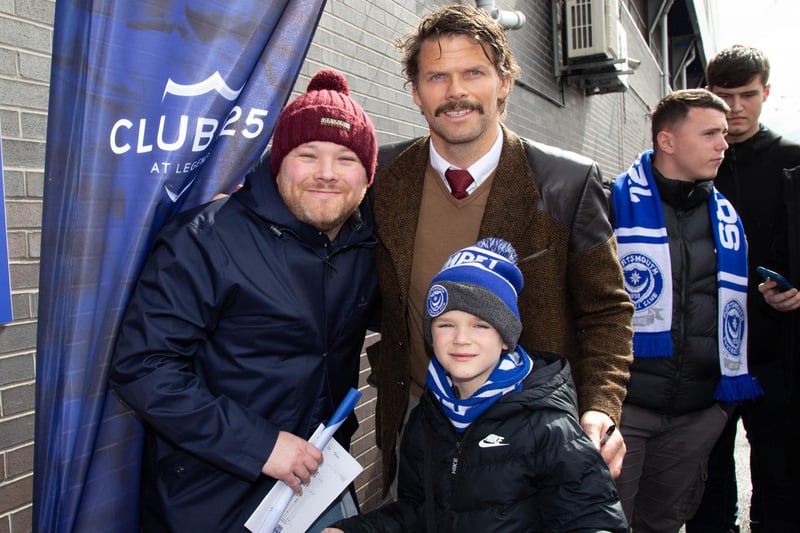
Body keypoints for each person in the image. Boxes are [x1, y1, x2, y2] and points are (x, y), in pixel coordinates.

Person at [366, 3, 634, 496]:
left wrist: (600, 406)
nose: (456, 92)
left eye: (474, 72)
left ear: (505, 82)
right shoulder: (382, 177)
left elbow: (606, 311)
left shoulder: (567, 183)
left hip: (532, 429)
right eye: (436, 76)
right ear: (416, 93)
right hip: (420, 423)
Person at [109, 69, 379, 532]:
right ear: (278, 161)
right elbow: (143, 366)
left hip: (318, 488)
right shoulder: (206, 238)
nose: (327, 173)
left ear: (368, 176)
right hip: (212, 498)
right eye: (308, 154)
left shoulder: (365, 245)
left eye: (346, 158)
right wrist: (261, 445)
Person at [323, 238, 628, 532]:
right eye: (446, 324)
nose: (461, 339)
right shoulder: (426, 417)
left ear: (506, 338)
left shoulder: (550, 428)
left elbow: (592, 519)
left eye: (481, 325)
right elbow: (417, 510)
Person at [610, 88, 763, 532]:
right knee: (604, 523)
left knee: (662, 525)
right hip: (626, 411)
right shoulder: (609, 202)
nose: (724, 143)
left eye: (723, 134)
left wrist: (715, 414)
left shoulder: (725, 216)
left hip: (696, 416)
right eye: (711, 133)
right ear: (668, 141)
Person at [687, 45, 800, 533]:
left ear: (766, 94)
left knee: (780, 477)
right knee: (707, 479)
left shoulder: (793, 161)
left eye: (746, 95)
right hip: (705, 351)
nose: (735, 107)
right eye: (723, 95)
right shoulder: (686, 163)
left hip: (777, 349)